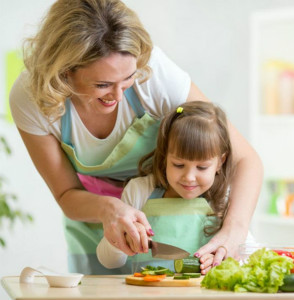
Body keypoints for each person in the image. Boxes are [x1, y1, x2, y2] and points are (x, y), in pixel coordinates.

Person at [9, 0, 263, 274]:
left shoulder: (153, 74)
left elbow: (245, 159)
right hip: (95, 221)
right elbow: (66, 194)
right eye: (102, 84)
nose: (118, 96)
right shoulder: (32, 98)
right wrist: (110, 210)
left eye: (128, 78)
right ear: (64, 72)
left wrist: (234, 231)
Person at [97, 101, 256, 274]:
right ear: (165, 157)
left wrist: (224, 258)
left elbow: (251, 255)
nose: (189, 177)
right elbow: (108, 261)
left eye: (202, 167)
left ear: (220, 162)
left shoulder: (225, 198)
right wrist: (123, 238)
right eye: (178, 165)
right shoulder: (140, 191)